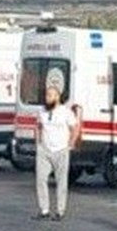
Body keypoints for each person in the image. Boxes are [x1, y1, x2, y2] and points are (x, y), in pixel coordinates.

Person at [35, 86, 81, 221]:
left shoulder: (66, 112)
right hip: (45, 150)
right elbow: (38, 126)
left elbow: (75, 127)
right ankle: (44, 210)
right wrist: (38, 143)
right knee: (41, 179)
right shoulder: (42, 111)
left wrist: (71, 143)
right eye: (46, 95)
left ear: (57, 97)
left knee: (61, 181)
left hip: (61, 150)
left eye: (50, 95)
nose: (47, 98)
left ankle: (60, 211)